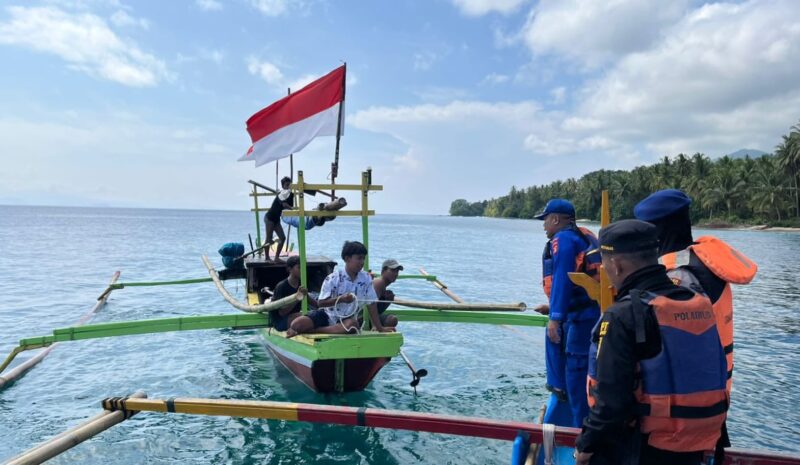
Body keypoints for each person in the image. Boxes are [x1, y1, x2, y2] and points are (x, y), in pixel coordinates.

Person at [574, 220, 728, 465]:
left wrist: (586, 446)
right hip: (695, 447)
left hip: (641, 449)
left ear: (616, 264)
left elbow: (611, 402)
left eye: (604, 263)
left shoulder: (623, 316)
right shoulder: (697, 302)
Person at [634, 189, 757, 394]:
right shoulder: (707, 263)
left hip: (689, 390)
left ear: (656, 230)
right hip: (716, 383)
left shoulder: (677, 276)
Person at [534, 199, 601, 428]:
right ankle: (562, 394)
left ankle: (578, 429)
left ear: (555, 219)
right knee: (578, 366)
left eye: (545, 221)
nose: (544, 227)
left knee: (576, 370)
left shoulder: (562, 239)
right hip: (591, 311)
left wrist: (555, 317)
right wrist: (551, 309)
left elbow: (563, 278)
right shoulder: (585, 235)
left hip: (581, 317)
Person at [288, 241, 396, 336]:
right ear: (347, 259)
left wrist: (380, 328)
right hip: (326, 315)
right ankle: (324, 330)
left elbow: (371, 304)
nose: (362, 262)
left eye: (363, 258)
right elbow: (320, 303)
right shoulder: (333, 278)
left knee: (352, 325)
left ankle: (313, 331)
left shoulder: (366, 278)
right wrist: (341, 299)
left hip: (346, 320)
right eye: (359, 258)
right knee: (296, 324)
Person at [270, 256, 317, 332]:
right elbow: (282, 313)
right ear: (289, 269)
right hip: (280, 321)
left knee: (316, 315)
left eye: (303, 267)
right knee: (307, 316)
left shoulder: (302, 284)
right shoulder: (281, 286)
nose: (302, 270)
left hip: (294, 317)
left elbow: (311, 301)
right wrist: (297, 298)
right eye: (299, 267)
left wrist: (327, 306)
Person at [265, 176, 294, 262]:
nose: (288, 186)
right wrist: (293, 210)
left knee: (282, 238)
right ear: (283, 186)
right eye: (286, 185)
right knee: (268, 239)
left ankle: (276, 257)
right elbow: (285, 205)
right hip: (270, 218)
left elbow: (290, 205)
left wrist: (292, 195)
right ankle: (267, 257)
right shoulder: (281, 194)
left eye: (290, 184)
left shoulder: (289, 194)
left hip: (276, 220)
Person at [370, 259, 401, 328]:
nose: (396, 274)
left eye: (397, 271)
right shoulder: (379, 282)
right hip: (363, 318)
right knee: (392, 319)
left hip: (370, 317)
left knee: (389, 295)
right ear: (383, 271)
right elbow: (371, 304)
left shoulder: (382, 285)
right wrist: (375, 326)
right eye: (393, 270)